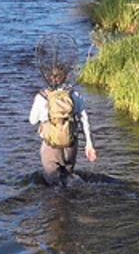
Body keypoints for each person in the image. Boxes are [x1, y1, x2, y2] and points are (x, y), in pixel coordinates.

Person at [29, 44, 97, 186]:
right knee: (68, 181)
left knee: (53, 186)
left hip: (50, 146)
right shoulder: (74, 95)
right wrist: (89, 145)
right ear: (65, 77)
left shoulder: (41, 97)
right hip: (70, 145)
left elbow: (32, 121)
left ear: (49, 78)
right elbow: (85, 119)